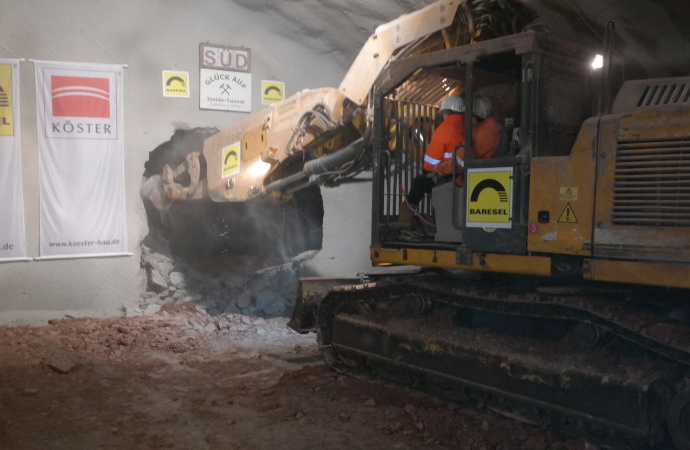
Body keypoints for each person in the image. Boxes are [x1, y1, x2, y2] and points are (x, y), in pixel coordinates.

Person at [393, 95, 465, 228]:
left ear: (446, 112)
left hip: (449, 178)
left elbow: (430, 163)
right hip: (464, 176)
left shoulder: (444, 129)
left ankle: (404, 220)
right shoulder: (469, 126)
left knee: (419, 182)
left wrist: (428, 172)